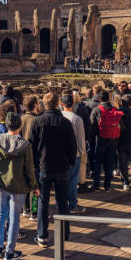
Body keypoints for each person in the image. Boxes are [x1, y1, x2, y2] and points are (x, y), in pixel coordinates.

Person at [0, 112, 39, 260]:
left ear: (6, 125)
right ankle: (10, 251)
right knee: (14, 218)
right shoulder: (25, 145)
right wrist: (34, 186)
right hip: (19, 187)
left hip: (1, 184)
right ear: (19, 126)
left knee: (1, 214)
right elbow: (29, 169)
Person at [30, 92, 77, 247]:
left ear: (44, 104)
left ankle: (42, 236)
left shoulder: (37, 122)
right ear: (57, 104)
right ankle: (65, 232)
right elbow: (72, 146)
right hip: (62, 167)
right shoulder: (65, 123)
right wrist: (71, 162)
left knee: (43, 201)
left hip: (43, 167)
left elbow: (31, 147)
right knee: (62, 201)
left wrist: (34, 166)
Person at [90, 91, 123, 191]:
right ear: (109, 99)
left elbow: (92, 127)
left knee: (97, 163)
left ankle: (96, 184)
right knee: (109, 163)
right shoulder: (115, 110)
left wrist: (92, 141)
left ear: (99, 100)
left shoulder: (96, 110)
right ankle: (107, 185)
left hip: (101, 139)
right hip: (113, 140)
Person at [61, 94, 86, 212]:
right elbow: (81, 139)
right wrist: (83, 153)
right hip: (74, 153)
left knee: (62, 180)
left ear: (62, 104)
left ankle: (61, 203)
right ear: (73, 104)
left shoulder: (59, 116)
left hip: (61, 153)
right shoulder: (76, 119)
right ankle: (73, 204)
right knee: (72, 180)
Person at [21, 95, 41, 218]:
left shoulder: (21, 118)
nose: (39, 105)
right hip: (34, 157)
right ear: (35, 105)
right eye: (38, 103)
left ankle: (26, 209)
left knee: (25, 185)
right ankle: (34, 212)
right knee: (35, 186)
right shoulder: (37, 119)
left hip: (22, 157)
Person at [72, 89, 92, 193]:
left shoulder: (66, 109)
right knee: (82, 162)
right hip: (81, 137)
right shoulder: (82, 108)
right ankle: (82, 183)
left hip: (70, 138)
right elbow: (88, 123)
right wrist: (87, 138)